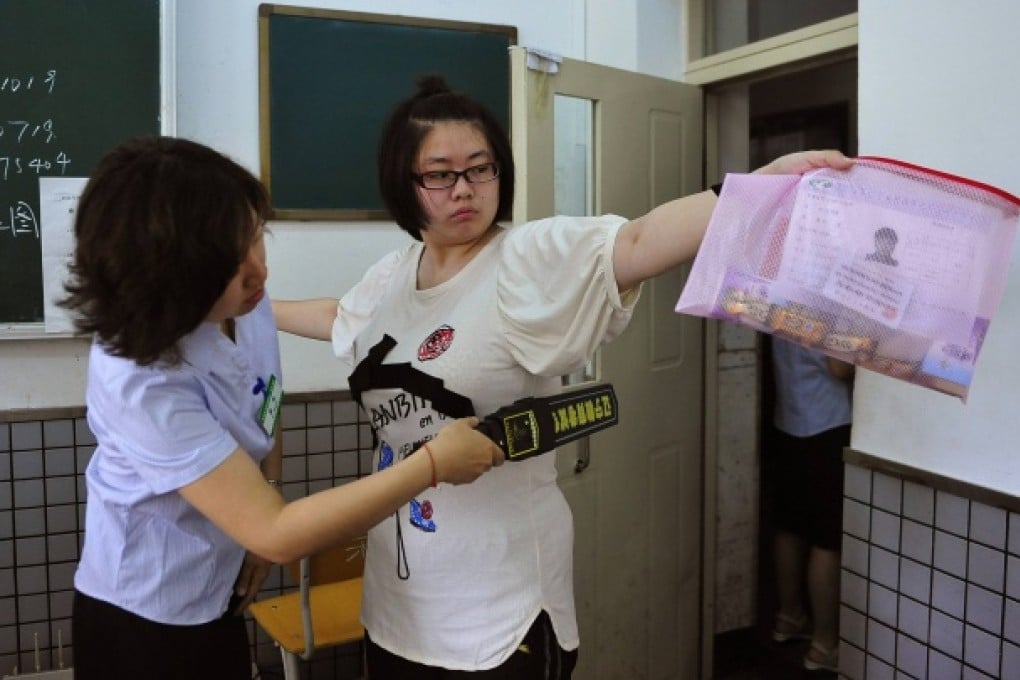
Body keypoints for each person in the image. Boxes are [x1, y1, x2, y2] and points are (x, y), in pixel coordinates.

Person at [272, 75, 854, 679]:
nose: (464, 189)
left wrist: (765, 184)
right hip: (397, 606)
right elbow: (343, 317)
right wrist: (249, 307)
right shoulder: (393, 275)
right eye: (439, 174)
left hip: (497, 616)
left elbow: (636, 240)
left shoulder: (526, 258)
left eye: (481, 168)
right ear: (404, 182)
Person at [60, 136, 503, 680]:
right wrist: (433, 465)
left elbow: (263, 410)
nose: (258, 272)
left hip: (221, 591)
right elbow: (277, 532)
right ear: (170, 277)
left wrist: (266, 501)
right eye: (230, 262)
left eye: (256, 238)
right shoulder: (141, 380)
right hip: (143, 614)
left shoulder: (243, 306)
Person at [766, 336, 853, 674]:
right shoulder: (837, 298)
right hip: (828, 424)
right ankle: (824, 645)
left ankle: (788, 617)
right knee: (827, 541)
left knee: (790, 525)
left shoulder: (787, 287)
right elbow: (839, 366)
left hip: (788, 419)